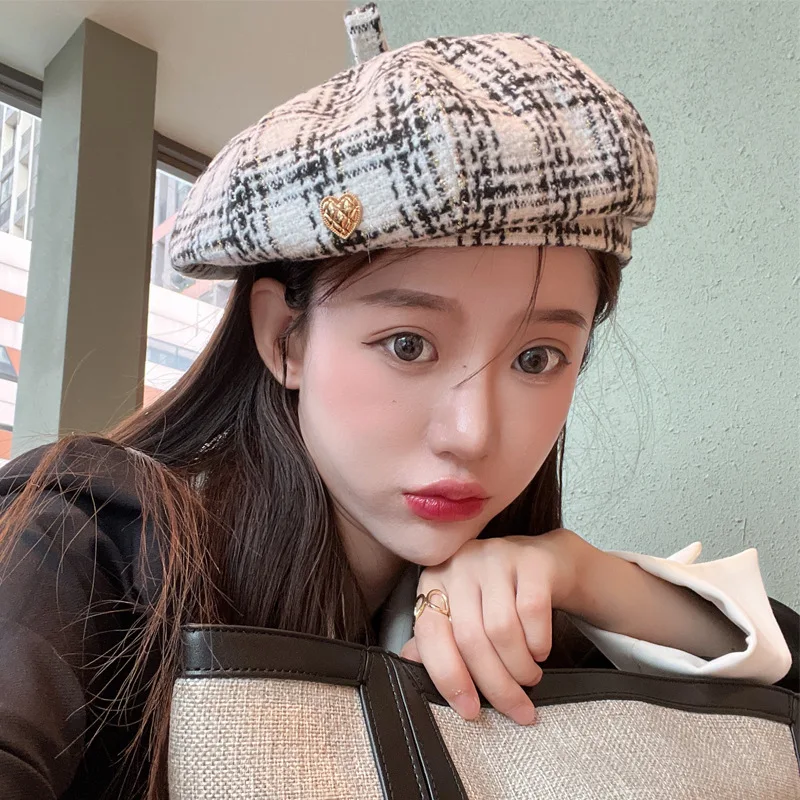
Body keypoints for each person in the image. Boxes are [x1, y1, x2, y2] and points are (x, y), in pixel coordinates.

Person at [0, 4, 796, 799]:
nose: (473, 434)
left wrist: (580, 573)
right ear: (284, 338)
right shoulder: (95, 542)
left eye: (537, 358)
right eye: (408, 345)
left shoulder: (519, 620)